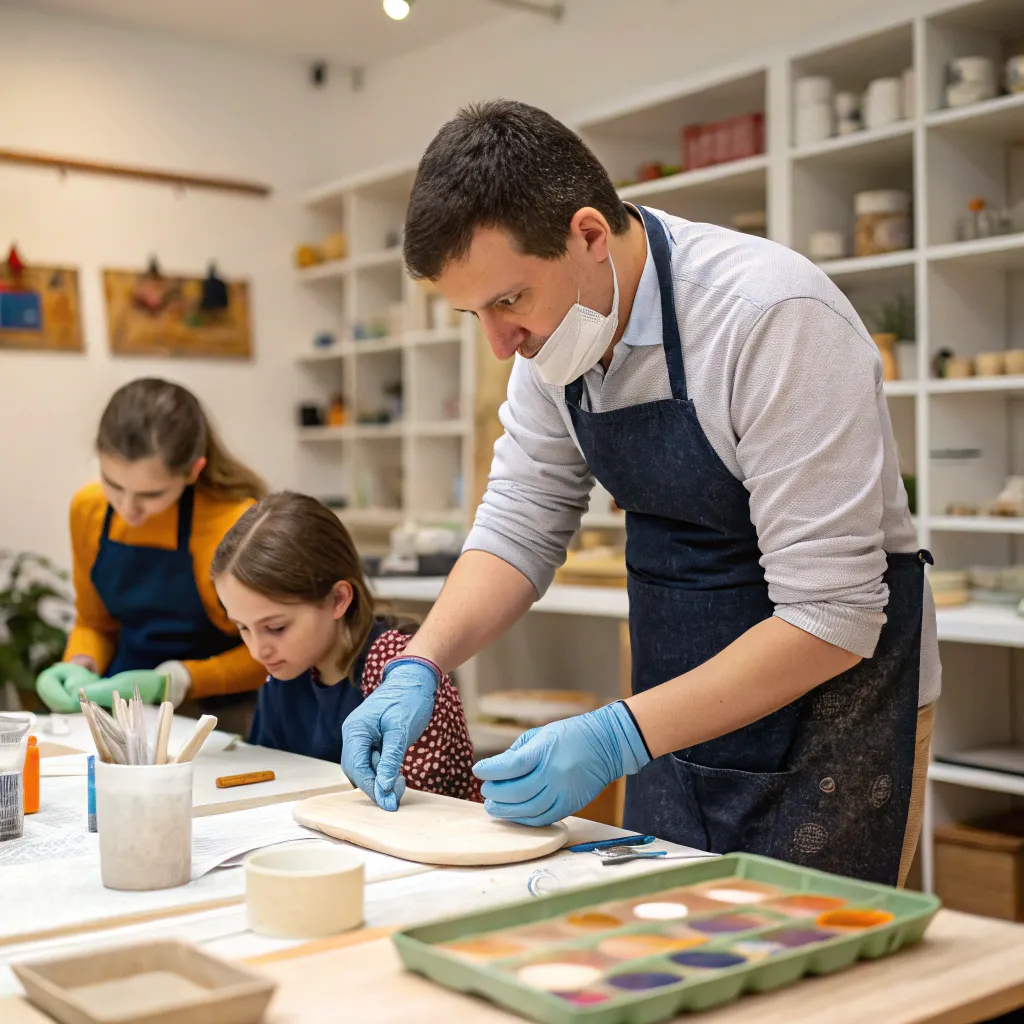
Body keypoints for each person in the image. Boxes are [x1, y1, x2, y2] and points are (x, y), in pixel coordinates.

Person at [340, 99, 940, 887]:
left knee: (814, 993)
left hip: (834, 716)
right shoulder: (553, 346)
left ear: (589, 234)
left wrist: (616, 738)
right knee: (669, 966)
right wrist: (422, 662)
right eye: (472, 313)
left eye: (509, 301)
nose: (499, 343)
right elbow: (520, 524)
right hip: (675, 717)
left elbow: (832, 616)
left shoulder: (769, 318)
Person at [211, 491, 480, 802]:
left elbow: (422, 807)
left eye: (276, 627)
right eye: (243, 627)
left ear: (338, 599)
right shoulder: (286, 671)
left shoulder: (399, 672)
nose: (258, 651)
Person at [35, 378, 267, 724]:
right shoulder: (89, 509)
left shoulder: (233, 523)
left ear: (194, 470)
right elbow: (95, 623)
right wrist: (81, 665)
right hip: (124, 707)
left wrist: (175, 681)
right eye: (113, 484)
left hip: (221, 714)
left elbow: (271, 649)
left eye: (151, 495)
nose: (129, 509)